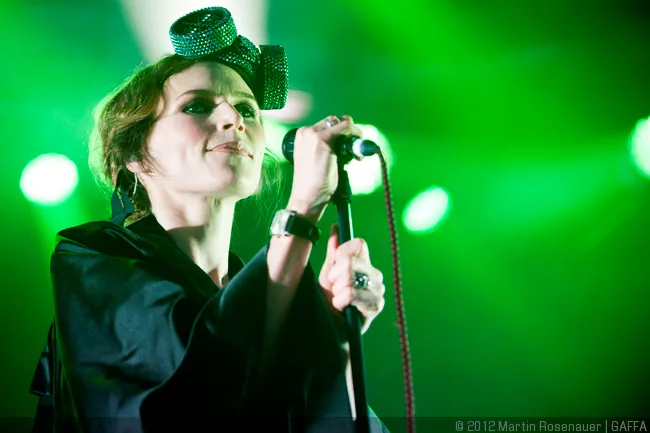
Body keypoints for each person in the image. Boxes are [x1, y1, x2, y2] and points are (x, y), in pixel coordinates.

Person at [28, 6, 390, 432]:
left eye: (247, 109)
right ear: (135, 154)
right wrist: (303, 207)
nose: (233, 119)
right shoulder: (92, 262)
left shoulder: (266, 293)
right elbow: (194, 397)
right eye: (197, 105)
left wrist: (337, 338)